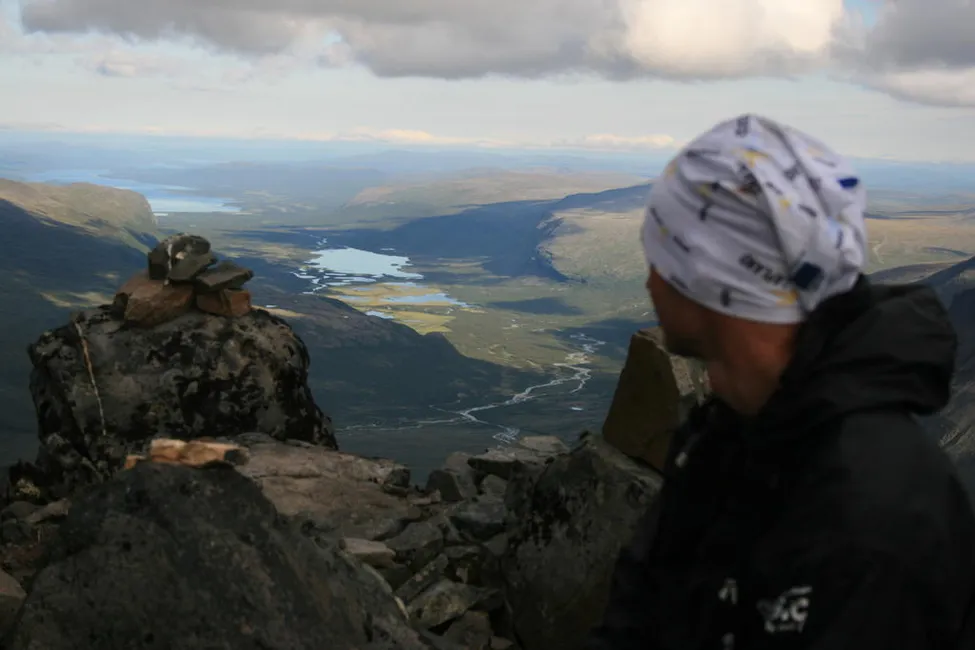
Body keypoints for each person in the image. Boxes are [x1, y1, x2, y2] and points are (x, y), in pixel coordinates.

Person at [585, 114, 975, 649]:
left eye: (661, 251)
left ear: (711, 276)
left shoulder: (875, 511)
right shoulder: (729, 433)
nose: (650, 277)